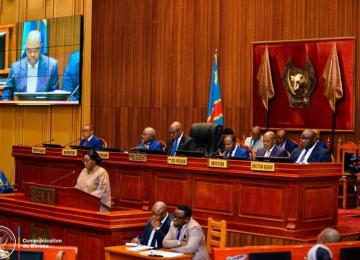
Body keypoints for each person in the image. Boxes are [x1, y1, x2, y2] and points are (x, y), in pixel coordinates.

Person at [2, 30, 59, 100]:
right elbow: (6, 95)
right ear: (25, 48)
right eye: (29, 51)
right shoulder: (15, 67)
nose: (32, 55)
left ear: (41, 47)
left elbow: (54, 97)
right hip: (21, 110)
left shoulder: (52, 66)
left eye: (36, 51)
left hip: (42, 109)